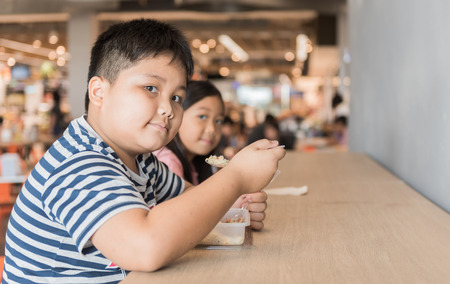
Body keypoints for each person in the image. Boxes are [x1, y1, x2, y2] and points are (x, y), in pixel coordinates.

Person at [2, 19, 285, 283]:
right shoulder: (78, 164)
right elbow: (145, 248)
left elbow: (188, 198)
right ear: (99, 92)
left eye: (176, 97)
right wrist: (235, 178)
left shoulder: (141, 159)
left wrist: (233, 205)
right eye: (150, 88)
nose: (167, 109)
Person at [154, 80, 266, 230]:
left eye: (218, 120)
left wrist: (240, 204)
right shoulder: (167, 162)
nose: (212, 129)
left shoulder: (197, 162)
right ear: (176, 113)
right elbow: (180, 220)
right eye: (202, 116)